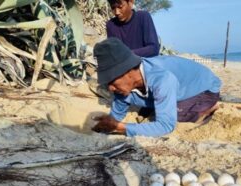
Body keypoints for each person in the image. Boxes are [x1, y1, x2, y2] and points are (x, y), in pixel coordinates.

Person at [92, 38, 221, 137]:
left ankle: (210, 106)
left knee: (175, 118)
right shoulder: (122, 87)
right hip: (171, 87)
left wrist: (122, 127)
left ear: (128, 71)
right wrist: (106, 124)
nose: (110, 88)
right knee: (156, 111)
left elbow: (166, 126)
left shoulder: (161, 79)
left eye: (112, 80)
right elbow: (116, 115)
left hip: (204, 88)